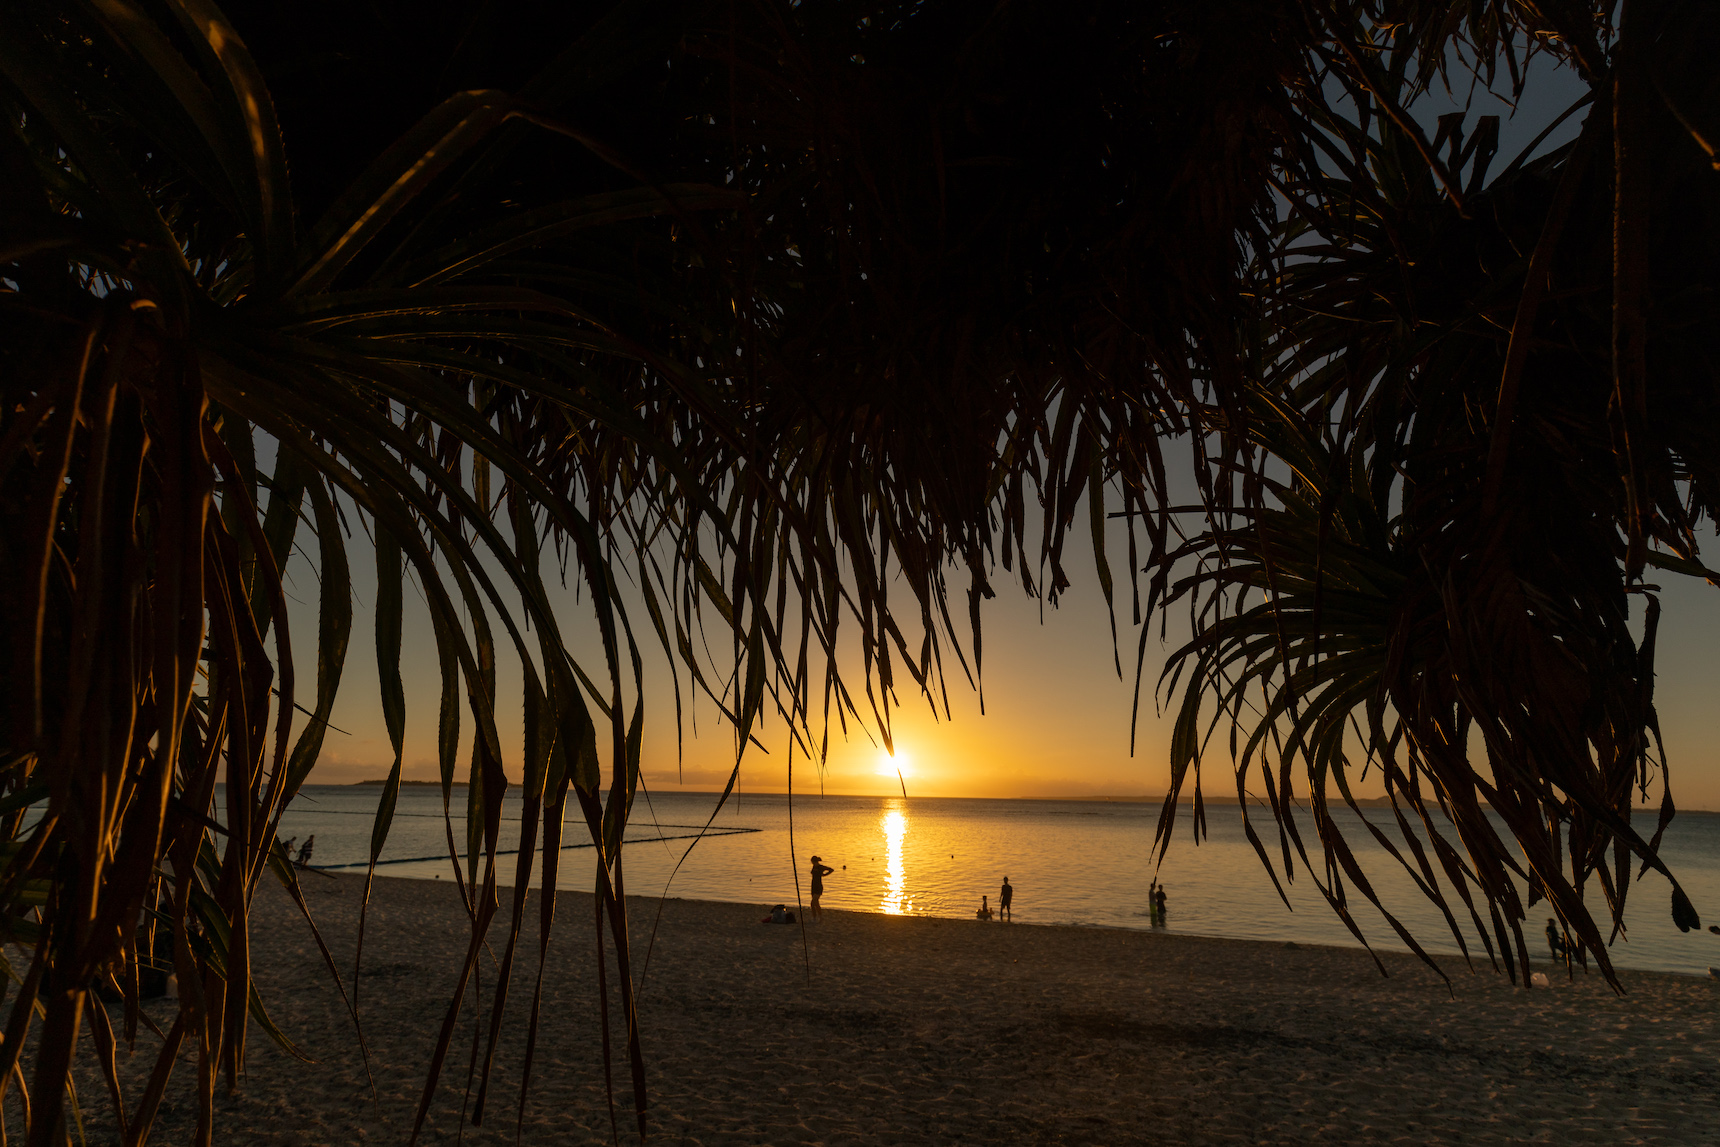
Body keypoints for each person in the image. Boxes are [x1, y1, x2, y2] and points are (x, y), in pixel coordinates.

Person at [808, 855, 834, 921]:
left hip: (818, 887)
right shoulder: (813, 867)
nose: (812, 863)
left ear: (815, 861)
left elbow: (831, 870)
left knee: (812, 903)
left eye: (812, 862)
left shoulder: (821, 867)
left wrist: (824, 875)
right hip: (813, 886)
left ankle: (814, 918)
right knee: (816, 903)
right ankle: (820, 917)